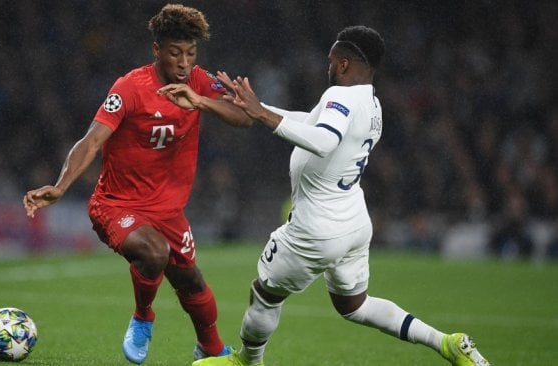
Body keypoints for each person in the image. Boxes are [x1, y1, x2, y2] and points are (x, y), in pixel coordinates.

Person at [192, 26, 490, 366]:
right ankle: (448, 344)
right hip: (352, 222)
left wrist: (260, 113)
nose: (328, 66)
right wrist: (256, 106)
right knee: (355, 305)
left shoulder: (340, 97)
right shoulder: (371, 102)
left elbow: (322, 141)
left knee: (264, 294)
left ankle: (246, 361)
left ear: (345, 63)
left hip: (317, 227)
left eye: (331, 60)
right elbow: (310, 122)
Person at [23, 4, 252, 365]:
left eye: (191, 53)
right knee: (154, 252)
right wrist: (61, 185)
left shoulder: (199, 81)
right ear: (157, 50)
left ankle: (211, 350)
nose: (184, 62)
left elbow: (244, 116)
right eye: (175, 52)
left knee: (191, 281)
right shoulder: (130, 88)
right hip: (116, 204)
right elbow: (92, 140)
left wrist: (202, 102)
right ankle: (143, 317)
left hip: (169, 211)